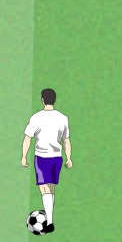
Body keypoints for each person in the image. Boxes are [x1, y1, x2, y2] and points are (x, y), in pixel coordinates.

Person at [21, 88, 72, 232]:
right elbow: (66, 140)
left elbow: (28, 138)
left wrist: (24, 156)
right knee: (50, 188)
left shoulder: (36, 118)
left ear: (42, 100)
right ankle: (49, 217)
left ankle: (49, 222)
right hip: (57, 157)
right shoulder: (63, 118)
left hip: (42, 157)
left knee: (44, 189)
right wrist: (68, 158)